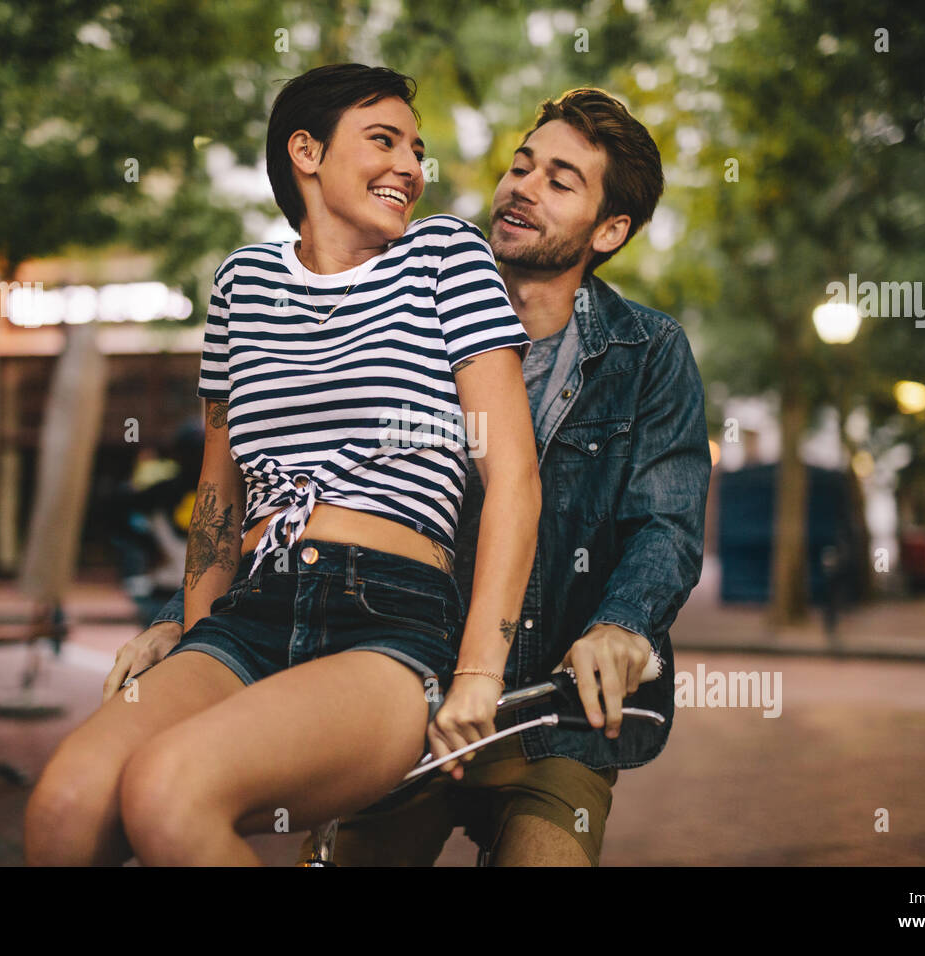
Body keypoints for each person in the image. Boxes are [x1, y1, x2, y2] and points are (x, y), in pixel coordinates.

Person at [138, 88, 712, 867]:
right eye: (521, 166)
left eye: (559, 180)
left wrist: (624, 623)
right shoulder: (407, 305)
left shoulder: (649, 352)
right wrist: (188, 618)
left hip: (551, 713)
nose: (522, 188)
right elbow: (301, 486)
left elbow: (667, 525)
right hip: (402, 686)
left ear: (609, 229)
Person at [24, 63, 540, 866]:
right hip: (251, 612)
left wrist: (479, 670)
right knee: (64, 810)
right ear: (306, 150)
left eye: (417, 148)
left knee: (169, 791)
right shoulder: (243, 282)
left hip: (388, 618)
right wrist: (193, 641)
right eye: (384, 140)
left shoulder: (446, 255)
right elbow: (217, 496)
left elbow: (512, 474)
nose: (410, 165)